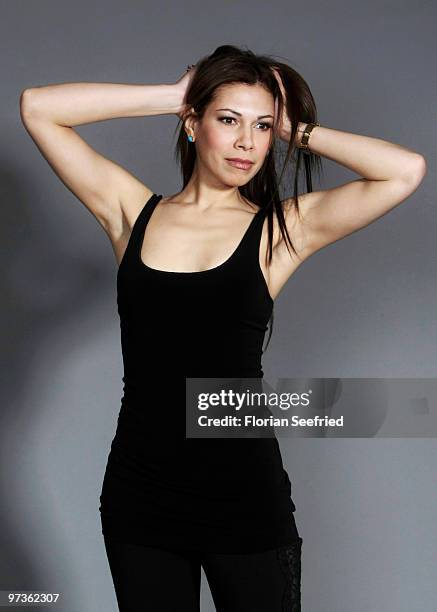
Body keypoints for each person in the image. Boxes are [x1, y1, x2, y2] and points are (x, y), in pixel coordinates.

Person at [20, 44, 426, 611]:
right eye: (229, 120)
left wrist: (297, 131)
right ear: (194, 124)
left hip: (244, 494)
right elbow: (38, 107)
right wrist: (173, 96)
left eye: (261, 127)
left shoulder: (280, 231)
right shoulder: (132, 214)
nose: (246, 142)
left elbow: (404, 171)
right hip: (141, 493)